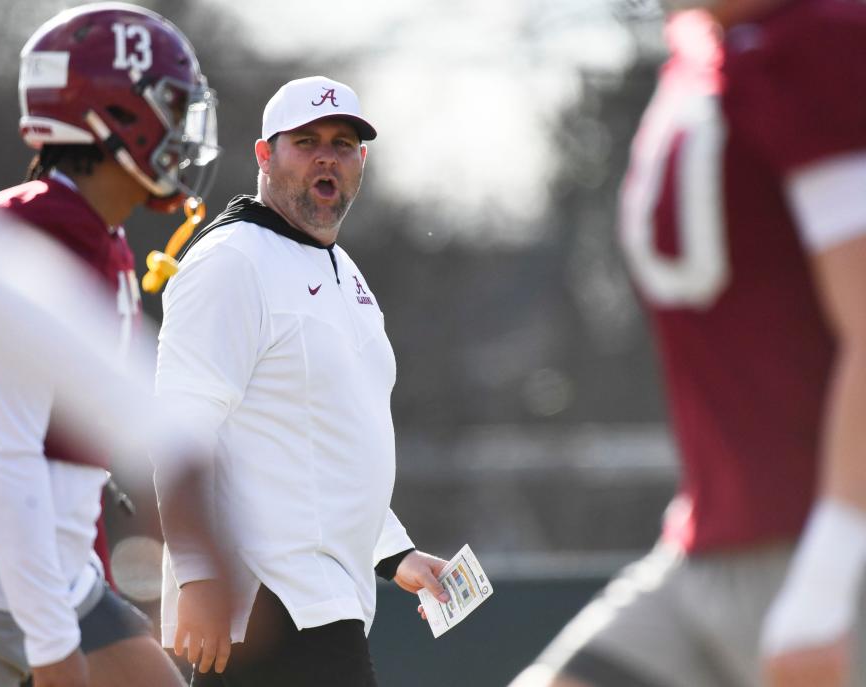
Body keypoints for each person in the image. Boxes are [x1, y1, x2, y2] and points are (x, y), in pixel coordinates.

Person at [509, 1, 866, 686]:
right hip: (707, 548)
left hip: (830, 557)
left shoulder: (822, 47)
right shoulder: (705, 52)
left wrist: (829, 577)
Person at [0, 4, 219, 686]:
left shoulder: (97, 235)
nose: (182, 127)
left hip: (48, 563)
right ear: (114, 113)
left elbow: (75, 472)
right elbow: (5, 451)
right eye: (168, 105)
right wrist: (53, 648)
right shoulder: (39, 230)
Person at [153, 75, 451, 687]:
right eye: (305, 140)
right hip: (266, 598)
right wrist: (197, 576)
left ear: (360, 162)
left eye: (343, 144)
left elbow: (329, 440)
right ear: (264, 155)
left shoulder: (345, 273)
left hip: (325, 596)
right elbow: (177, 428)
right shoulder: (232, 260)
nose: (326, 156)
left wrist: (395, 554)